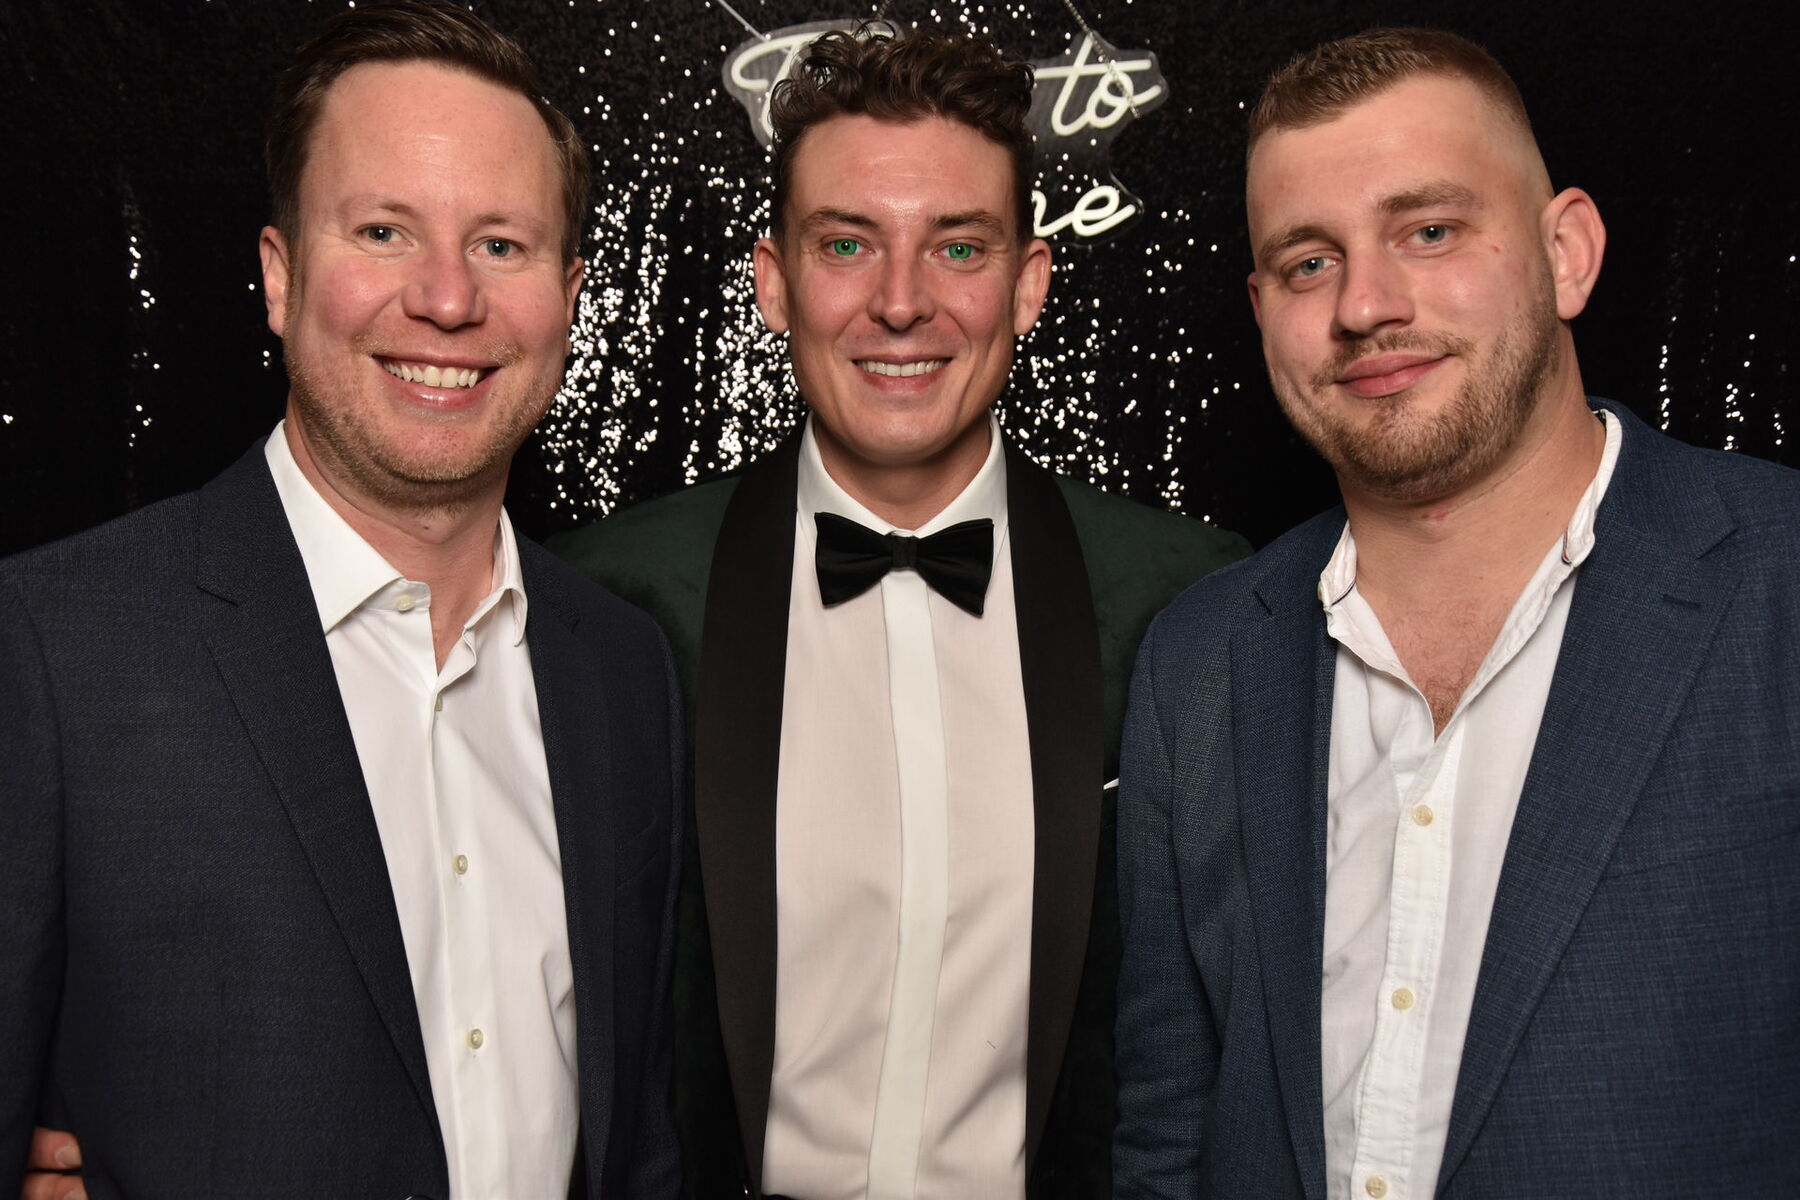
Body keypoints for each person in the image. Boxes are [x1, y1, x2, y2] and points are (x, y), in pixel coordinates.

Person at [552, 24, 1247, 1199]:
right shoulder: (613, 601)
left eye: (958, 247)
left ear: (1028, 284)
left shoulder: (1182, 601)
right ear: (775, 282)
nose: (901, 303)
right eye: (846, 244)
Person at [1, 3, 681, 1197]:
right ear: (280, 276)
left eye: (501, 245)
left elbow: (640, 1148)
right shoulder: (54, 650)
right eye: (382, 231)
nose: (447, 300)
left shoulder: (625, 670)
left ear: (570, 296)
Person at [1114, 25, 1800, 1200]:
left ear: (1566, 253)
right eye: (1308, 263)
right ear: (1262, 307)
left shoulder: (1778, 585)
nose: (1365, 306)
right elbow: (1172, 1131)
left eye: (1428, 231)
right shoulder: (1201, 658)